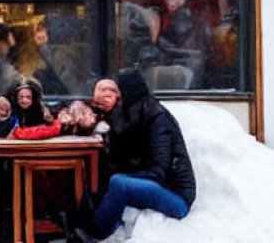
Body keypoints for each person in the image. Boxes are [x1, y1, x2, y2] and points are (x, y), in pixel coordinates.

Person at [76, 71, 196, 241]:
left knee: (119, 183)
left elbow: (160, 170)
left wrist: (128, 178)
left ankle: (94, 234)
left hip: (176, 197)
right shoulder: (138, 114)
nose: (118, 99)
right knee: (102, 186)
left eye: (119, 93)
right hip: (160, 187)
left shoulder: (157, 119)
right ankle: (81, 226)